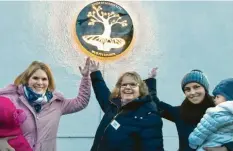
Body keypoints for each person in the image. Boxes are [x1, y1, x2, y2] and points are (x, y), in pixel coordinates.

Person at [0, 58, 91, 151]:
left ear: (49, 82)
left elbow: (81, 102)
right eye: (35, 78)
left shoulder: (57, 103)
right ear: (27, 79)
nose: (40, 83)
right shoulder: (14, 100)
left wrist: (85, 78)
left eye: (44, 79)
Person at [150, 69, 233, 151]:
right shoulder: (179, 112)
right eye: (187, 89)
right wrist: (151, 80)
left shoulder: (220, 110)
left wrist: (227, 148)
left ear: (205, 88)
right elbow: (154, 104)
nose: (192, 92)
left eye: (196, 87)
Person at [89, 60, 164, 151]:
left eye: (133, 84)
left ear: (140, 89)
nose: (128, 87)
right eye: (124, 84)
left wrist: (151, 79)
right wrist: (95, 72)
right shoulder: (114, 106)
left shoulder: (149, 116)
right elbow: (102, 91)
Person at [189, 78, 233, 151]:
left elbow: (201, 131)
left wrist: (193, 142)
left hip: (213, 144)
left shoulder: (218, 112)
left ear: (227, 97)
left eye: (217, 97)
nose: (214, 99)